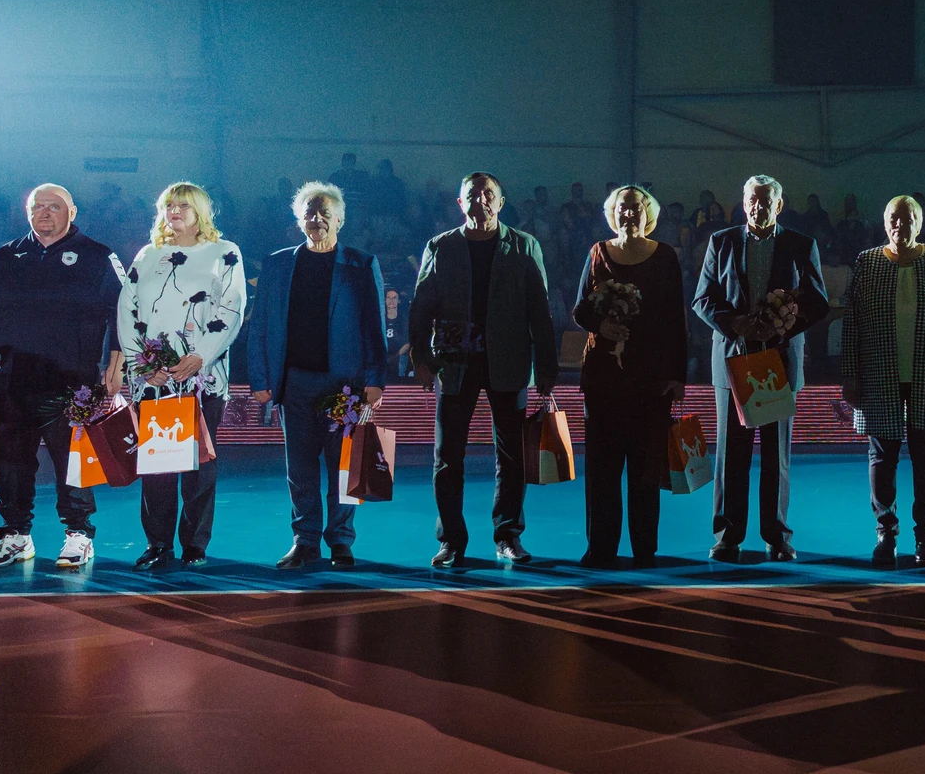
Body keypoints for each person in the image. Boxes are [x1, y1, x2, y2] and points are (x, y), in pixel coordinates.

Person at [0, 184, 125, 571]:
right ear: (27, 211)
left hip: (70, 378)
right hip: (9, 375)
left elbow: (122, 311)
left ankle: (79, 534)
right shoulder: (7, 254)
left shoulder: (98, 256)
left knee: (72, 458)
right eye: (37, 207)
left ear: (72, 212)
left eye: (54, 206)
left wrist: (116, 362)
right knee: (9, 458)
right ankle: (16, 535)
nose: (45, 213)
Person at [409, 172, 556, 567]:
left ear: (501, 202)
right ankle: (451, 541)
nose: (481, 199)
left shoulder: (524, 245)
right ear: (460, 203)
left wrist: (546, 366)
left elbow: (540, 309)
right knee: (447, 456)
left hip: (509, 362)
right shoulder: (440, 246)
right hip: (454, 364)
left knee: (512, 456)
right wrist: (420, 359)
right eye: (472, 194)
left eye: (488, 193)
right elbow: (421, 306)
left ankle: (508, 535)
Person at [247, 183, 388, 570]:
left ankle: (341, 540)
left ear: (340, 219)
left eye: (325, 212)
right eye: (310, 212)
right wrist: (260, 378)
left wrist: (375, 379)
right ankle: (305, 540)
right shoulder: (276, 265)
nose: (317, 219)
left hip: (346, 386)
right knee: (300, 469)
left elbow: (374, 326)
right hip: (294, 382)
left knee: (346, 466)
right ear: (299, 220)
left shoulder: (362, 264)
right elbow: (259, 326)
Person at [693, 174, 830, 562]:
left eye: (765, 201)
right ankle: (727, 536)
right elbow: (703, 299)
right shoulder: (721, 242)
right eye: (752, 200)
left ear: (779, 205)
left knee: (776, 455)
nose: (758, 207)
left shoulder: (801, 245)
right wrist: (737, 324)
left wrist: (781, 325)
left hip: (779, 361)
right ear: (743, 203)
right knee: (730, 456)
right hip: (733, 360)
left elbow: (817, 302)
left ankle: (777, 535)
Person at [117, 183, 247, 571]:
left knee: (199, 464)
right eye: (168, 205)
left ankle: (194, 544)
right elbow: (127, 310)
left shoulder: (224, 252)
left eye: (183, 206)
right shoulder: (148, 254)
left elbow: (232, 307)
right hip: (152, 381)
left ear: (201, 211)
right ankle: (158, 544)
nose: (174, 211)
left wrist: (200, 355)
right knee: (157, 466)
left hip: (202, 379)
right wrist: (142, 364)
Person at [841, 196, 925, 567]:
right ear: (884, 222)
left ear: (921, 222)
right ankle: (885, 532)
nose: (900, 225)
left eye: (908, 218)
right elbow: (852, 322)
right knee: (882, 457)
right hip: (878, 374)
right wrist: (850, 373)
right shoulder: (866, 262)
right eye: (894, 219)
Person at [571, 186, 687, 567]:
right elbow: (579, 310)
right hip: (603, 378)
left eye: (637, 208)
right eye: (623, 208)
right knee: (601, 469)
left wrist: (678, 376)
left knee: (645, 469)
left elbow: (677, 319)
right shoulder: (597, 253)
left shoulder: (665, 256)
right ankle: (600, 548)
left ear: (648, 213)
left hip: (651, 380)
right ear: (613, 213)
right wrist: (602, 326)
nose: (630, 214)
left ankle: (644, 549)